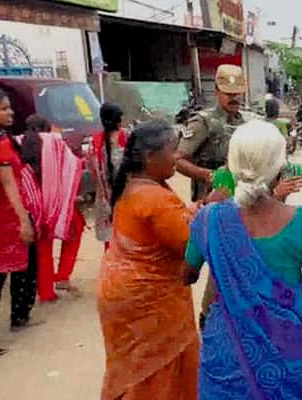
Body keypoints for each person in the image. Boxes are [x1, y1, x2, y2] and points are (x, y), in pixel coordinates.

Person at [185, 120, 302, 399]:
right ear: (280, 167)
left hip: (223, 356)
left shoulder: (209, 219)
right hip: (281, 354)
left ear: (230, 165)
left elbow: (186, 275)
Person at [97, 122, 200, 400]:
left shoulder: (134, 187)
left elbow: (174, 223)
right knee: (157, 370)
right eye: (173, 151)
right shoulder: (155, 199)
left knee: (132, 367)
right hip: (149, 299)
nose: (178, 157)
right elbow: (191, 248)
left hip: (123, 292)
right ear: (150, 157)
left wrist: (206, 204)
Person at [175, 64, 252, 327]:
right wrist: (209, 176)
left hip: (243, 208)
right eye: (228, 93)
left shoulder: (248, 122)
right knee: (222, 268)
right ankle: (209, 320)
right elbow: (178, 160)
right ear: (217, 91)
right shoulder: (203, 122)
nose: (234, 98)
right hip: (212, 207)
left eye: (238, 93)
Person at [0, 89, 40, 360]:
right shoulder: (0, 143)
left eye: (9, 108)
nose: (10, 113)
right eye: (3, 109)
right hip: (3, 221)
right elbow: (9, 183)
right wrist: (24, 220)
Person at [22, 115, 85, 302]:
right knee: (76, 229)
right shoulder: (55, 143)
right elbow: (73, 166)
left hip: (32, 204)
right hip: (57, 203)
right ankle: (63, 275)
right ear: (47, 128)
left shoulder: (19, 143)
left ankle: (46, 291)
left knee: (43, 247)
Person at [87, 103, 128, 250]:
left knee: (110, 243)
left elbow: (91, 168)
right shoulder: (126, 137)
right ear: (117, 121)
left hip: (105, 197)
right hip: (126, 195)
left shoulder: (94, 141)